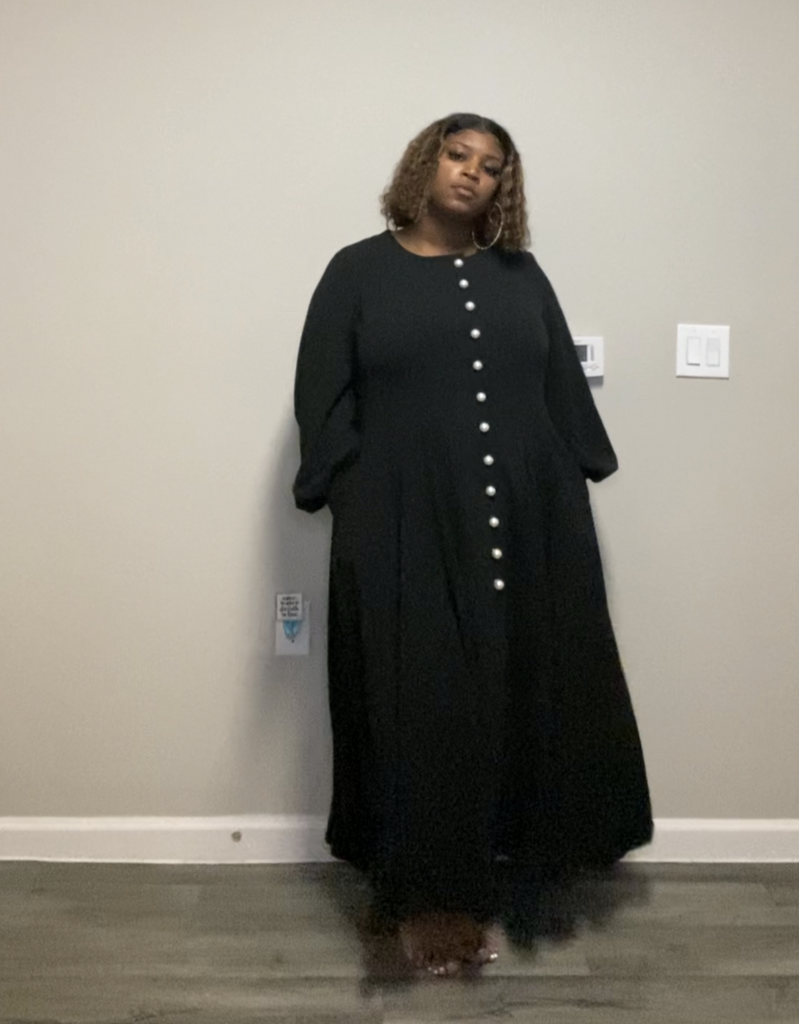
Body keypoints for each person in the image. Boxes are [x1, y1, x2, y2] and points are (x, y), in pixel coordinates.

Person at [292, 113, 653, 976]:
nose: (471, 173)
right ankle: (428, 896)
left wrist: (573, 472)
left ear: (502, 188)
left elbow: (558, 383)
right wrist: (354, 493)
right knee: (421, 698)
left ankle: (522, 861)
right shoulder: (356, 271)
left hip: (530, 519)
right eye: (457, 155)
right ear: (425, 163)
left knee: (523, 682)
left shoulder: (520, 276)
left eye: (491, 166)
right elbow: (321, 397)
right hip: (403, 518)